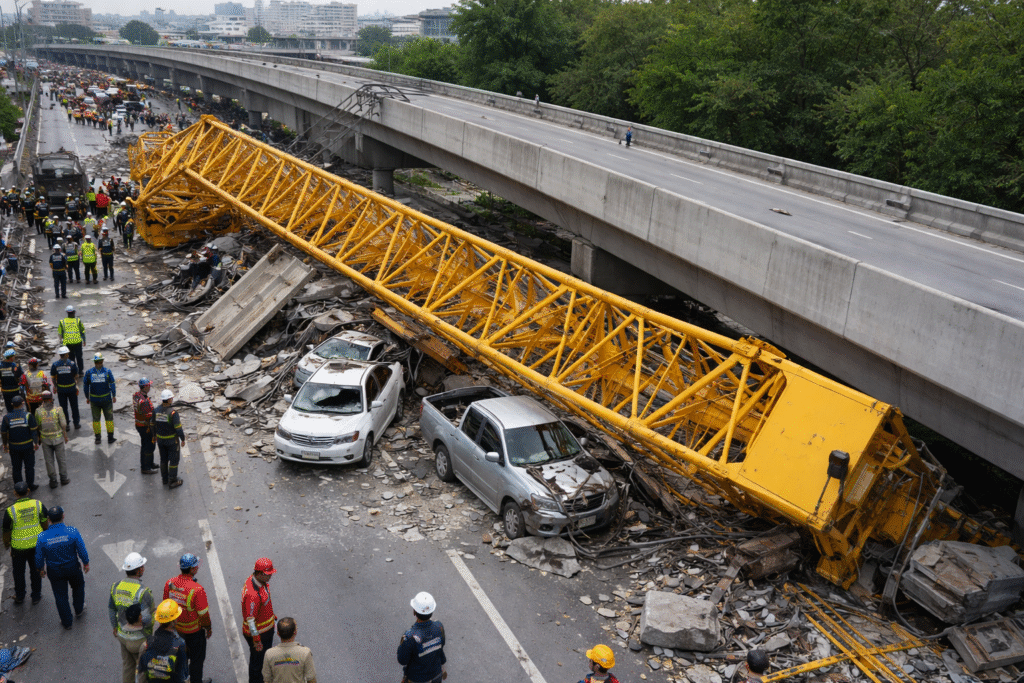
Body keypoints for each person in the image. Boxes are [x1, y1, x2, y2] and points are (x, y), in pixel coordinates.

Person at [35, 506, 89, 630]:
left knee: (60, 596)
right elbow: (82, 550)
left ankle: (67, 622)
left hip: (55, 571)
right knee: (78, 587)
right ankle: (79, 609)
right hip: (73, 568)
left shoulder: (42, 537)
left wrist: (40, 569)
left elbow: (39, 557)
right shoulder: (72, 531)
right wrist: (86, 563)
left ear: (48, 519)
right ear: (63, 516)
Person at [164, 553, 213, 683]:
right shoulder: (197, 589)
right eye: (196, 565)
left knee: (180, 659)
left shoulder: (169, 584)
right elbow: (203, 615)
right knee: (197, 661)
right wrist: (208, 628)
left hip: (176, 631)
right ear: (192, 569)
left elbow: (166, 606)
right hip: (194, 633)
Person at [110, 552, 155, 683]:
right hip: (139, 641)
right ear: (140, 569)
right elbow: (146, 620)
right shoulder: (143, 592)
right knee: (144, 672)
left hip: (122, 636)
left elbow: (111, 609)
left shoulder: (116, 586)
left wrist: (114, 627)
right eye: (143, 566)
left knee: (128, 667)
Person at [2, 481, 48, 605]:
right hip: (36, 545)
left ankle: (20, 596)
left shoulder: (10, 510)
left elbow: (6, 531)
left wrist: (7, 545)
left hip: (18, 548)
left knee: (18, 573)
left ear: (14, 493)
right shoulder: (37, 504)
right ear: (28, 491)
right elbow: (44, 521)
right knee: (36, 570)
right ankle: (36, 596)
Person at [242, 558, 278, 683]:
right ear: (260, 573)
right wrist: (256, 640)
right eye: (268, 574)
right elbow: (251, 620)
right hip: (260, 634)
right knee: (257, 662)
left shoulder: (258, 582)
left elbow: (264, 603)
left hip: (265, 630)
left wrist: (271, 614)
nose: (271, 576)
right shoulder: (252, 595)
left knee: (261, 659)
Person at [397, 592, 446, 683]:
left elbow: (402, 660)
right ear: (431, 611)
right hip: (436, 676)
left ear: (414, 611)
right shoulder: (439, 627)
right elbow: (440, 647)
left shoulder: (410, 637)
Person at [138, 600, 188, 683]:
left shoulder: (147, 643)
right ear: (173, 621)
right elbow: (181, 674)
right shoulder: (179, 644)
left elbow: (141, 672)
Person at [263, 617, 317, 683]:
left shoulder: (269, 654)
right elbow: (311, 679)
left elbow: (267, 680)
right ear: (295, 632)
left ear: (278, 633)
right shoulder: (305, 652)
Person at [2, 396, 39, 490]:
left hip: (14, 448)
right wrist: (36, 443)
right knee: (29, 467)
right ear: (23, 404)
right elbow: (34, 431)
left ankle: (19, 487)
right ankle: (30, 485)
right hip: (27, 446)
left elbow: (4, 433)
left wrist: (5, 445)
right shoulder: (28, 415)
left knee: (16, 468)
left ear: (12, 405)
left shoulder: (6, 417)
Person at [35, 391, 69, 488]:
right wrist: (65, 436)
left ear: (42, 400)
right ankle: (63, 478)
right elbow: (63, 424)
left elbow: (38, 425)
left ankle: (53, 481)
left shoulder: (38, 411)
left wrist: (39, 437)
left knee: (49, 461)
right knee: (61, 459)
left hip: (45, 440)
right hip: (58, 438)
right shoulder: (58, 409)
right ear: (51, 399)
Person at [153, 389, 185, 488]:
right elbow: (178, 428)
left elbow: (152, 425)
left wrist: (154, 436)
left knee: (163, 460)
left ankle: (165, 479)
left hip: (160, 441)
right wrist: (183, 439)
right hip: (172, 441)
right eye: (171, 398)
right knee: (174, 460)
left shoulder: (156, 410)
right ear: (169, 400)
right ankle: (172, 480)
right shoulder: (172, 413)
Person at [84, 352, 116, 445]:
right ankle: (110, 438)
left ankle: (97, 438)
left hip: (94, 401)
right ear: (102, 361)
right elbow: (112, 384)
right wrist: (113, 395)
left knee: (96, 419)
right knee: (109, 419)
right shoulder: (107, 371)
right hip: (106, 399)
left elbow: (86, 386)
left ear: (94, 362)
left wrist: (87, 397)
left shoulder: (89, 372)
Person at [50, 346, 81, 430]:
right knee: (74, 406)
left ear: (60, 355)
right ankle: (76, 423)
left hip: (61, 390)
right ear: (67, 354)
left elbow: (53, 378)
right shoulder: (72, 364)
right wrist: (76, 384)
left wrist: (55, 386)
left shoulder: (55, 365)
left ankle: (66, 424)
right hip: (71, 389)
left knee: (63, 408)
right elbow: (76, 376)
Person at [133, 378, 159, 475]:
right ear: (145, 387)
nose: (150, 387)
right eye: (149, 385)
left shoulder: (137, 396)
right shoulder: (144, 402)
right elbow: (148, 415)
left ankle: (150, 463)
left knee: (148, 444)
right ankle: (145, 467)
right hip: (145, 426)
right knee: (148, 446)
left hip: (139, 424)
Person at [58, 305, 86, 372]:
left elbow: (60, 334)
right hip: (77, 342)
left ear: (67, 313)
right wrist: (84, 340)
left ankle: (73, 371)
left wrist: (61, 342)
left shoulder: (62, 321)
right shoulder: (77, 320)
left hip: (68, 343)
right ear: (74, 312)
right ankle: (80, 371)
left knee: (71, 358)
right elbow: (82, 331)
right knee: (79, 357)